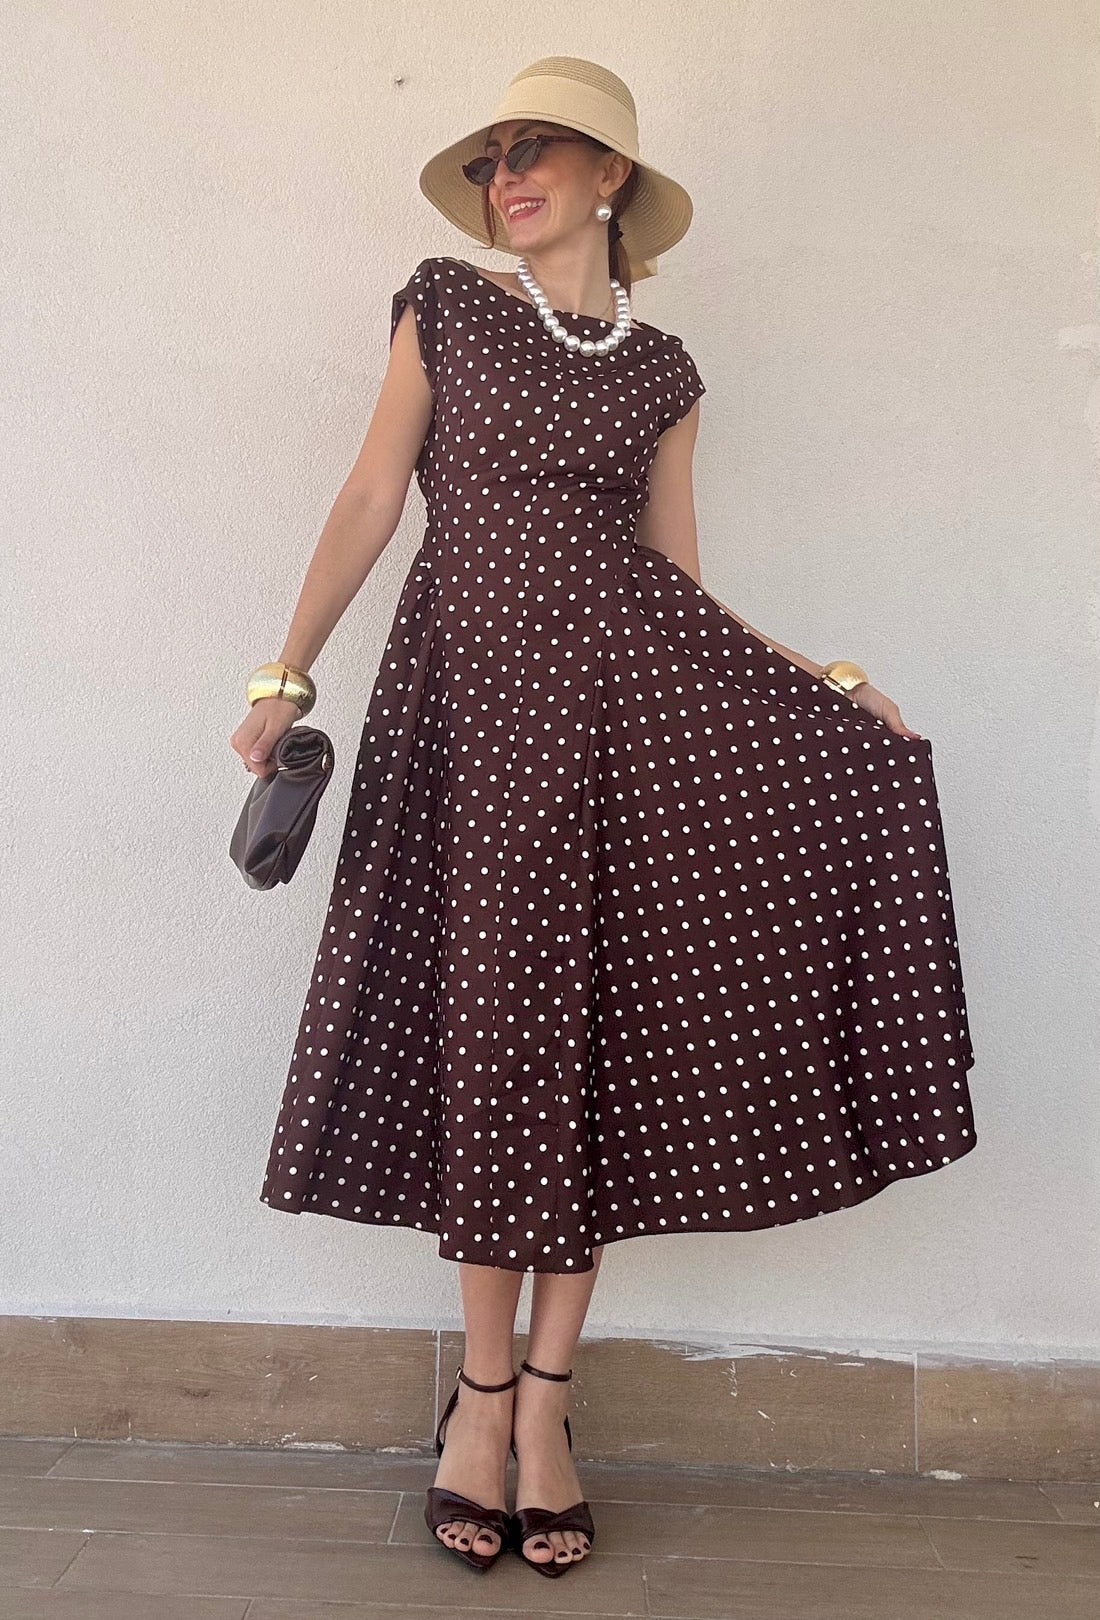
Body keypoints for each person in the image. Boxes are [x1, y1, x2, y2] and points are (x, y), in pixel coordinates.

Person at [230, 56, 977, 1579]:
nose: (508, 177)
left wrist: (824, 683)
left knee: (599, 1051)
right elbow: (372, 496)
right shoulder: (447, 307)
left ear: (610, 176)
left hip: (627, 733)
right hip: (471, 726)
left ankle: (546, 1411)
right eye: (493, 159)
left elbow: (675, 584)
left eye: (538, 152)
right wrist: (284, 669)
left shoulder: (665, 372)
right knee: (494, 1041)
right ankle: (478, 1402)